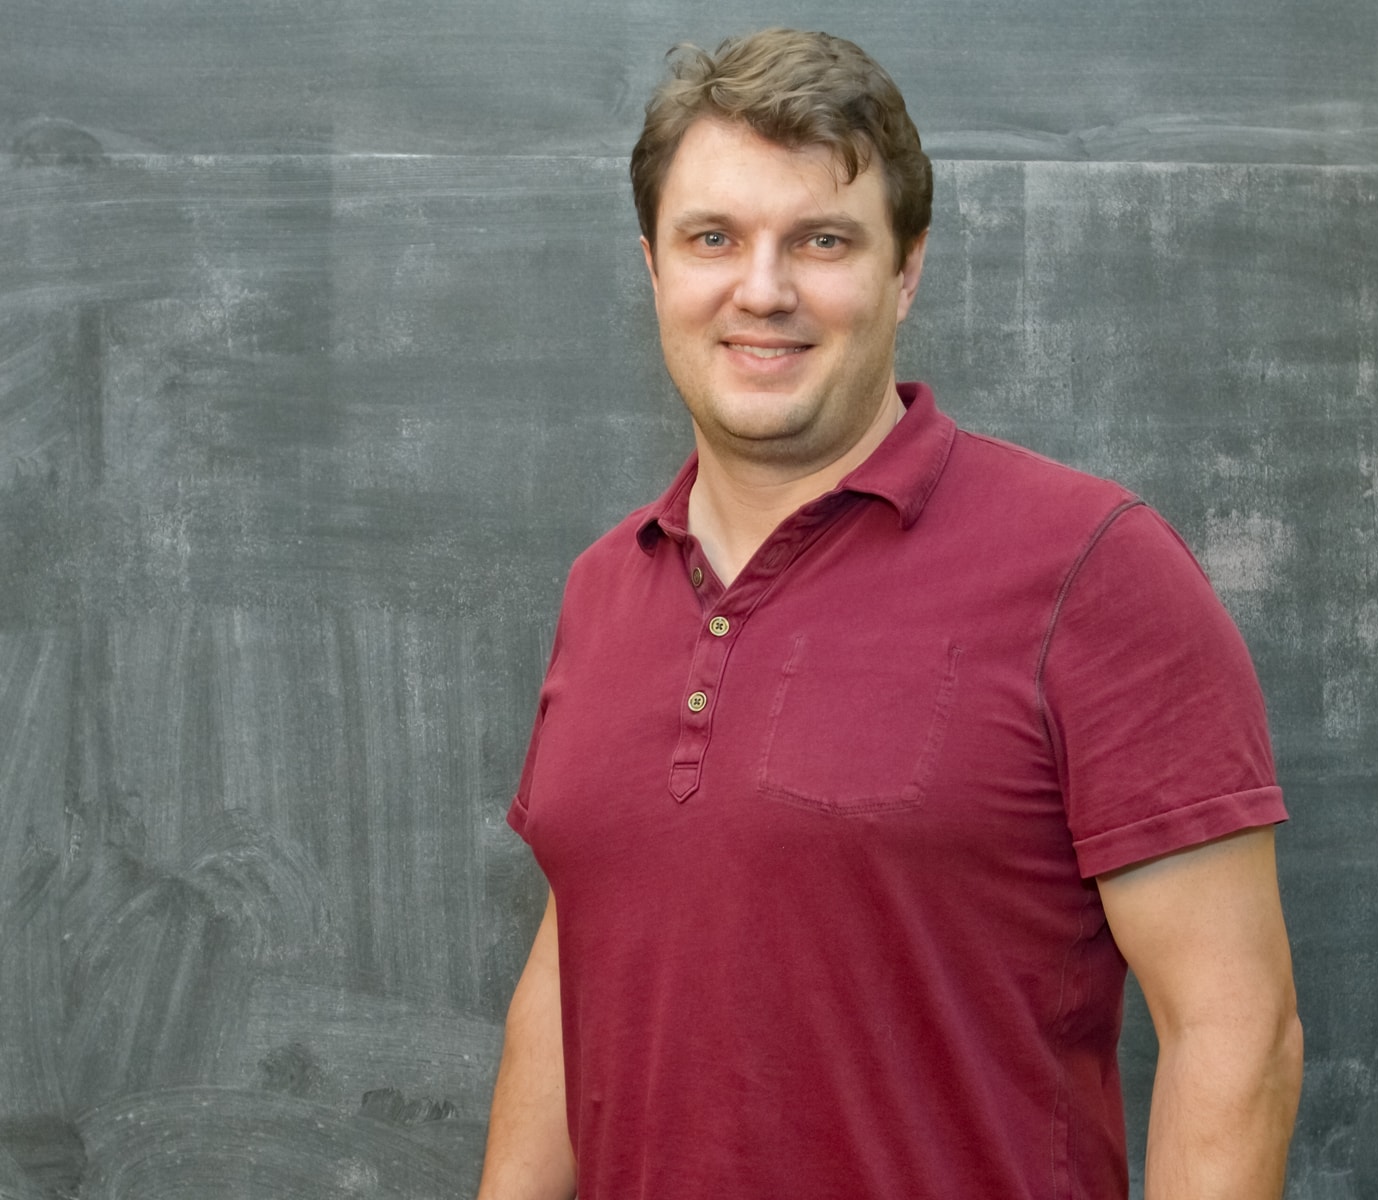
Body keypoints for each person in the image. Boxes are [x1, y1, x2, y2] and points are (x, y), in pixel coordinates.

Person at [478, 28, 1302, 1200]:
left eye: (821, 240)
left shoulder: (1092, 568)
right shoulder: (605, 587)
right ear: (653, 268)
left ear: (905, 270)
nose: (761, 290)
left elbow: (1238, 1032)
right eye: (714, 238)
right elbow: (580, 966)